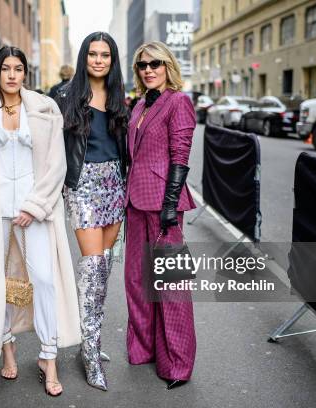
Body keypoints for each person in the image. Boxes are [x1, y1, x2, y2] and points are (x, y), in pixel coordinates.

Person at [0, 46, 81, 397]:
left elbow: (57, 164)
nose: (11, 75)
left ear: (25, 73)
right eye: (5, 68)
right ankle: (7, 347)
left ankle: (48, 357)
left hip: (33, 210)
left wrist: (35, 206)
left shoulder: (43, 109)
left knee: (44, 279)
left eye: (18, 69)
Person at [56, 32, 128, 391]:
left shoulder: (119, 98)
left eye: (105, 55)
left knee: (104, 273)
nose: (99, 60)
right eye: (93, 54)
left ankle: (91, 339)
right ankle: (90, 353)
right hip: (82, 185)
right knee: (93, 267)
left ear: (112, 61)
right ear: (84, 56)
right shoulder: (65, 95)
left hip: (114, 184)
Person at [124, 41, 197, 390]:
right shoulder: (139, 104)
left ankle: (178, 363)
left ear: (168, 66)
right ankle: (144, 349)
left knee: (171, 285)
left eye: (156, 63)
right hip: (135, 203)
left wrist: (170, 204)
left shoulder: (178, 101)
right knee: (137, 283)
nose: (149, 69)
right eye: (142, 65)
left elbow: (180, 155)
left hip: (164, 204)